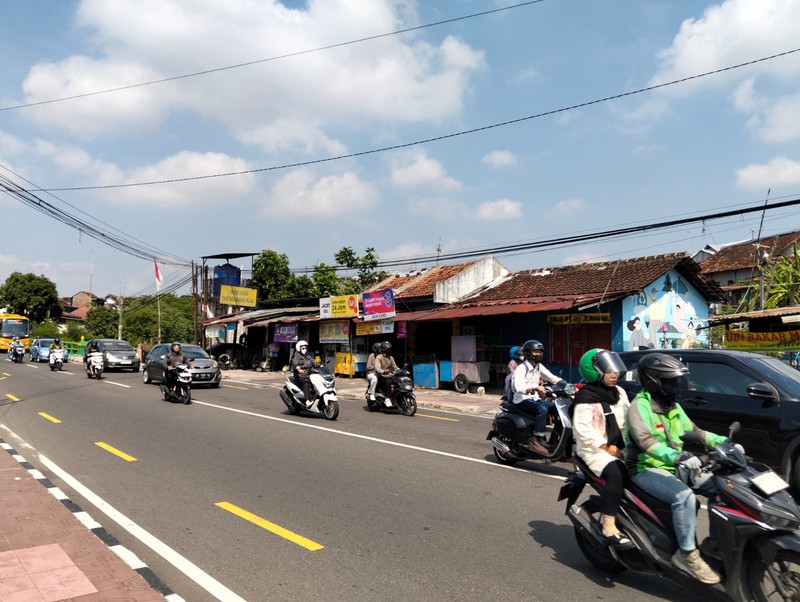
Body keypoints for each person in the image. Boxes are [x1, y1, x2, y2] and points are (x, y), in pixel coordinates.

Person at [625, 352, 727, 585]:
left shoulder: (672, 405)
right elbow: (645, 442)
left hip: (676, 465)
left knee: (723, 487)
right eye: (671, 380)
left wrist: (724, 443)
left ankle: (715, 545)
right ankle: (687, 555)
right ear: (654, 380)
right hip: (645, 467)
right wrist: (678, 456)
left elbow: (695, 432)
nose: (677, 384)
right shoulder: (640, 406)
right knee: (685, 497)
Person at [572, 348, 632, 548]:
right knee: (616, 473)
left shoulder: (619, 392)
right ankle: (609, 526)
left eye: (615, 369)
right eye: (608, 370)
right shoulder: (586, 397)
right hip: (595, 450)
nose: (614, 374)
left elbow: (629, 419)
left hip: (621, 445)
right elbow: (583, 431)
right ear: (594, 371)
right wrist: (607, 447)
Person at [512, 339, 562, 454]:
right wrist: (535, 388)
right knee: (542, 409)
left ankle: (554, 439)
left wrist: (568, 385)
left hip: (534, 399)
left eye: (540, 351)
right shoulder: (522, 368)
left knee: (558, 409)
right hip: (521, 400)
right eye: (535, 351)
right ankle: (536, 440)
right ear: (528, 353)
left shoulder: (538, 366)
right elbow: (519, 387)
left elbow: (552, 378)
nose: (538, 354)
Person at [290, 340, 316, 407]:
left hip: (309, 375)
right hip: (300, 376)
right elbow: (294, 363)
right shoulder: (297, 356)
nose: (304, 350)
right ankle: (307, 401)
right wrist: (299, 369)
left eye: (305, 348)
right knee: (306, 383)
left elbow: (314, 363)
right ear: (299, 348)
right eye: (303, 348)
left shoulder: (308, 356)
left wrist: (321, 365)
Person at [374, 341, 399, 407]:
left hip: (388, 375)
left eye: (390, 349)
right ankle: (387, 398)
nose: (389, 350)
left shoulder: (391, 358)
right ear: (383, 349)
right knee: (388, 382)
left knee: (397, 380)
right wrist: (384, 372)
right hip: (380, 376)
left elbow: (394, 366)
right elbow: (377, 368)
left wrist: (401, 370)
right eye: (388, 349)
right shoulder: (379, 357)